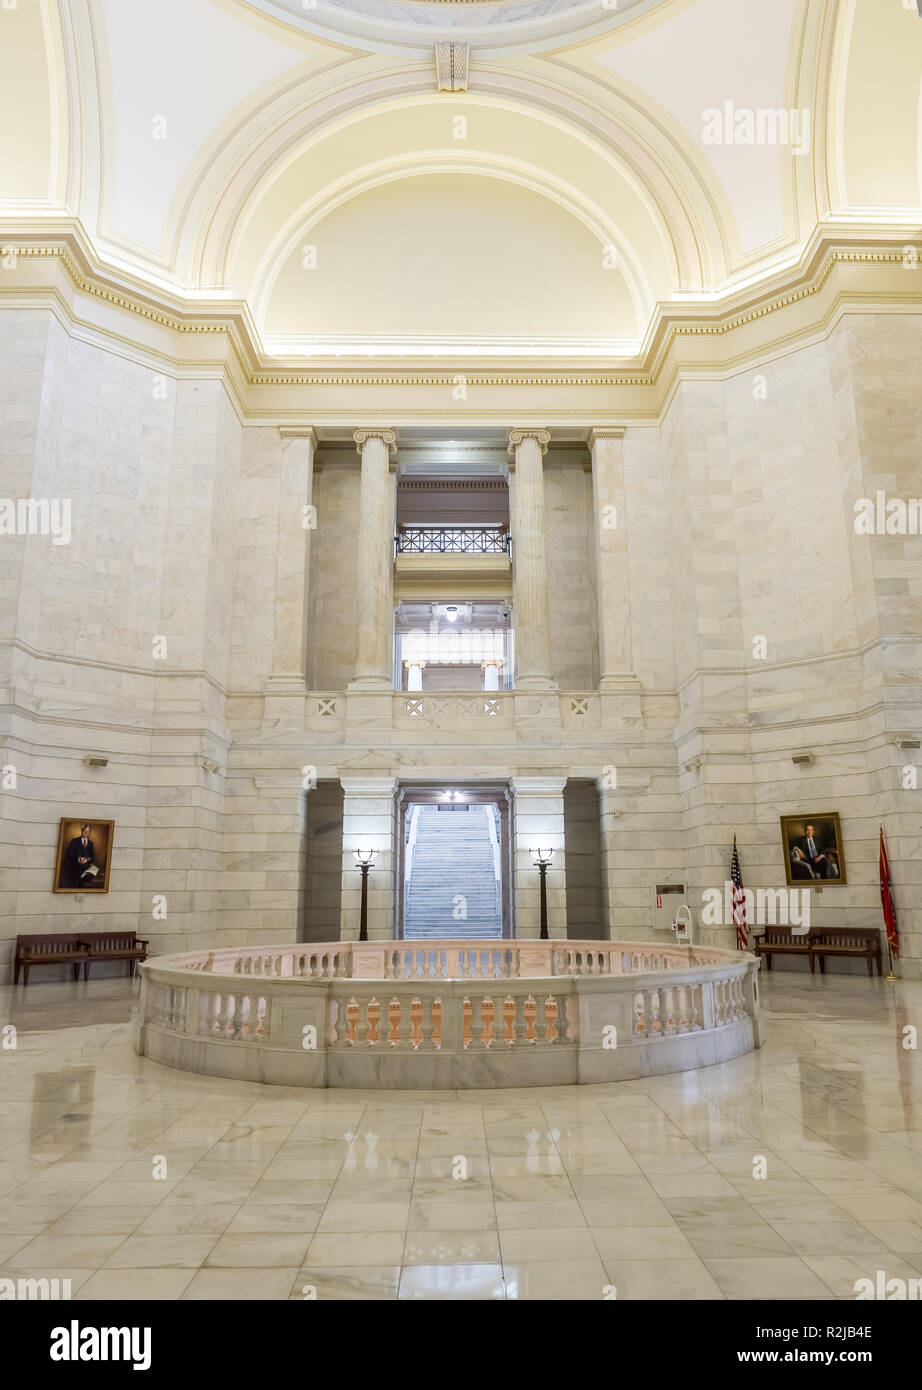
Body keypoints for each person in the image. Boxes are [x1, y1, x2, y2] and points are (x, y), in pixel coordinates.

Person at [63, 824, 95, 888]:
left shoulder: (90, 843)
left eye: (88, 831)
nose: (86, 833)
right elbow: (69, 855)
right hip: (75, 869)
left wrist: (87, 859)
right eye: (85, 831)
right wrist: (79, 859)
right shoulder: (74, 841)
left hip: (86, 870)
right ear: (81, 831)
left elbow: (92, 857)